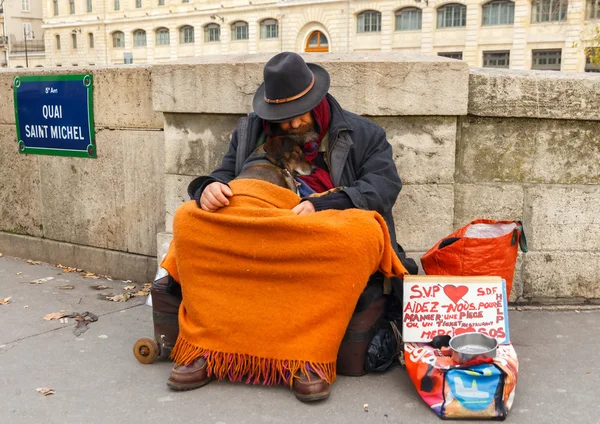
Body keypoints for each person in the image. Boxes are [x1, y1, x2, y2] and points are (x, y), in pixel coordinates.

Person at [167, 52, 417, 401]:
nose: (292, 125)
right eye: (282, 119)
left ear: (317, 101)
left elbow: (382, 188)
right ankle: (208, 347)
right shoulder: (250, 130)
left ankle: (309, 357)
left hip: (322, 228)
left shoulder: (364, 133)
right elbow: (226, 174)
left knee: (362, 234)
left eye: (298, 114)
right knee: (188, 220)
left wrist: (320, 204)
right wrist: (206, 186)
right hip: (263, 225)